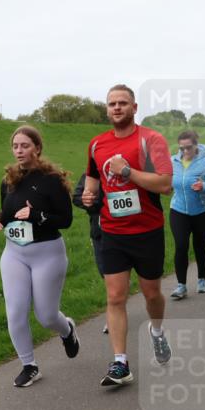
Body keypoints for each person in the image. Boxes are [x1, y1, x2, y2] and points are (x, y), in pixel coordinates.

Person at [81, 84, 173, 387]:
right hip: (112, 231)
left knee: (151, 294)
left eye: (122, 103)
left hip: (147, 231)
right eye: (111, 104)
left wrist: (127, 172)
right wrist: (89, 195)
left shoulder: (151, 140)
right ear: (106, 109)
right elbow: (93, 178)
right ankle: (120, 362)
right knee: (115, 296)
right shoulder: (97, 144)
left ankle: (157, 332)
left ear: (135, 107)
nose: (116, 108)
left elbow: (164, 183)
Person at [0, 126, 79, 387]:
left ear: (37, 148)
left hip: (47, 254)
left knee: (46, 316)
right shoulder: (9, 180)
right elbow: (7, 212)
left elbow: (66, 220)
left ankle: (67, 329)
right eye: (15, 146)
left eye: (24, 145)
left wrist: (38, 215)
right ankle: (29, 365)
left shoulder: (52, 180)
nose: (19, 151)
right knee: (15, 312)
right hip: (14, 254)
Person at [169, 130, 205, 299]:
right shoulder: (173, 161)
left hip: (203, 212)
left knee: (200, 247)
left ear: (196, 145)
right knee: (181, 246)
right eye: (182, 148)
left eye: (189, 147)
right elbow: (164, 179)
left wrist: (204, 186)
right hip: (178, 210)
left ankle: (201, 280)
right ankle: (181, 286)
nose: (185, 151)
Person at [72, 173, 109, 333]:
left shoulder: (124, 169)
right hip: (99, 231)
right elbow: (77, 196)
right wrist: (87, 201)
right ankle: (117, 302)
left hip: (125, 230)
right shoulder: (90, 174)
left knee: (115, 276)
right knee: (105, 273)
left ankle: (113, 312)